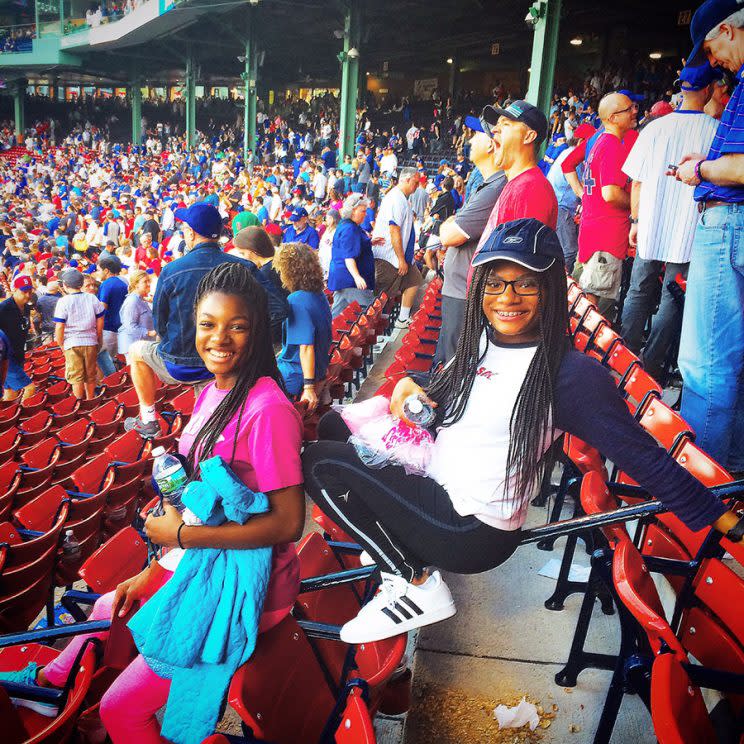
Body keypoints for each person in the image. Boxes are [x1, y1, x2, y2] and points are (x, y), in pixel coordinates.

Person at [302, 218, 742, 644]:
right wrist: (404, 386)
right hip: (438, 484)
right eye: (494, 283)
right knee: (334, 425)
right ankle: (392, 543)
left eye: (525, 283)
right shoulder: (483, 339)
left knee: (318, 463)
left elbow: (645, 458)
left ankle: (412, 581)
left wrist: (726, 522)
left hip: (471, 530)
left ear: (550, 289)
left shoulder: (570, 376)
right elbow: (439, 406)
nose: (506, 296)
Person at [0, 263, 305, 742]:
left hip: (245, 588)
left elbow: (288, 523)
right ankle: (47, 683)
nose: (218, 338)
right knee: (110, 606)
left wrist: (181, 535)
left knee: (121, 712)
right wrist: (155, 564)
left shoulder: (267, 409)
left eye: (237, 326)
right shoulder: (212, 392)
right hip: (204, 561)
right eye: (208, 324)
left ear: (259, 329)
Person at [675, 0, 744, 474]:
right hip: (730, 219)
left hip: (730, 222)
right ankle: (730, 477)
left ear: (729, 28)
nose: (713, 60)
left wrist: (698, 169)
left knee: (706, 366)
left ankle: (699, 499)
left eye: (711, 48)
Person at [620, 62, 720, 380]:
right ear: (707, 89)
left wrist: (635, 220)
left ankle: (623, 359)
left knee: (638, 291)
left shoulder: (654, 127)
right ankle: (649, 367)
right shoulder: (715, 129)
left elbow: (636, 182)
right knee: (671, 299)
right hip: (689, 230)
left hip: (650, 221)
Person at [125, 203, 249, 438]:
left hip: (184, 364)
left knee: (136, 350)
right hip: (231, 361)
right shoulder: (245, 267)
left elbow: (159, 324)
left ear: (191, 233)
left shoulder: (172, 270)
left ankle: (149, 419)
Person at [431, 115, 506, 368]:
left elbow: (449, 234)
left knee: (453, 366)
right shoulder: (487, 184)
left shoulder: (496, 187)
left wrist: (447, 225)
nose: (470, 139)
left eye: (477, 134)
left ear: (491, 145)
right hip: (459, 289)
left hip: (464, 292)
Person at [472, 101, 558, 274]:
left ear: (528, 136)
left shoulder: (531, 188)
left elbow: (518, 276)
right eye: (497, 125)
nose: (494, 130)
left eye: (505, 124)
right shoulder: (518, 184)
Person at [573, 92, 637, 317]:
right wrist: (636, 205)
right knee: (594, 312)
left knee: (586, 304)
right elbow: (610, 193)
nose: (635, 111)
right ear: (612, 117)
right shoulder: (612, 145)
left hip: (594, 231)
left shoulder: (599, 140)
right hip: (606, 236)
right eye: (628, 109)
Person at [273, 242, 332, 413]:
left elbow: (306, 347)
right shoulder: (319, 295)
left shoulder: (296, 300)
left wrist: (309, 387)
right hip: (315, 369)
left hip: (296, 375)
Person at [371, 168, 422, 329]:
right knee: (381, 296)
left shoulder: (403, 198)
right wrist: (401, 259)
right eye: (415, 182)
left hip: (399, 254)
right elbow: (394, 229)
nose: (417, 185)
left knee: (414, 280)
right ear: (406, 180)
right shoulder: (395, 198)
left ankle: (402, 318)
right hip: (388, 256)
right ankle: (373, 331)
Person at [546, 124, 596, 272]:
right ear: (581, 142)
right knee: (569, 251)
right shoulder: (574, 156)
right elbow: (581, 188)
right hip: (561, 207)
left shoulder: (567, 151)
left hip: (557, 204)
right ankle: (562, 286)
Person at [232, 226, 289, 344]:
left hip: (277, 338)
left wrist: (263, 338)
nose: (242, 257)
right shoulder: (276, 264)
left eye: (243, 253)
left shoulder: (265, 273)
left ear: (253, 250)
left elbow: (279, 310)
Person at [54, 269, 105, 400]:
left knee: (76, 377)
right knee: (90, 374)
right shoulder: (92, 298)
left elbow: (60, 326)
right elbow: (100, 320)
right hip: (91, 341)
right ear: (81, 284)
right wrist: (99, 338)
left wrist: (60, 344)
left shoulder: (63, 301)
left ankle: (79, 403)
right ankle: (90, 400)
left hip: (72, 343)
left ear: (65, 285)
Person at [328, 194, 376, 317]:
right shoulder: (349, 228)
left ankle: (330, 335)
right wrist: (357, 277)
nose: (365, 214)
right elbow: (348, 256)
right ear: (353, 211)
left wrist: (369, 242)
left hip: (344, 279)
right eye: (363, 211)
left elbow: (353, 245)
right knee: (371, 314)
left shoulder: (350, 225)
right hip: (349, 280)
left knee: (337, 314)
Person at [0, 275, 35, 401]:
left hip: (18, 353)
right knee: (30, 387)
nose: (27, 295)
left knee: (10, 392)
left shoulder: (26, 307)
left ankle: (9, 418)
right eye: (24, 291)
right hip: (7, 357)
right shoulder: (3, 308)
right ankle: (23, 415)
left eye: (30, 291)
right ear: (14, 289)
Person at [97, 252, 128, 376]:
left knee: (106, 364)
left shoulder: (107, 284)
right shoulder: (124, 280)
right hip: (123, 326)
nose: (98, 273)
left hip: (109, 328)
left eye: (99, 270)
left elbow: (102, 308)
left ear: (106, 270)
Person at [118, 270, 156, 363]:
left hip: (142, 346)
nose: (148, 284)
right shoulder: (132, 301)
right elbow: (129, 326)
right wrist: (149, 333)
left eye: (149, 281)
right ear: (136, 285)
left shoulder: (141, 299)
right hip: (134, 346)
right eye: (145, 282)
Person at [36, 279, 62, 345]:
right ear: (57, 289)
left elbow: (39, 314)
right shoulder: (60, 300)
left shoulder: (40, 299)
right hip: (57, 327)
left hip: (46, 327)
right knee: (58, 348)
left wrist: (40, 322)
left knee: (47, 349)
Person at [318, 209, 340, 279]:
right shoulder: (327, 229)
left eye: (327, 218)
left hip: (331, 262)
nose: (326, 220)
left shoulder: (337, 231)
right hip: (323, 260)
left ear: (332, 219)